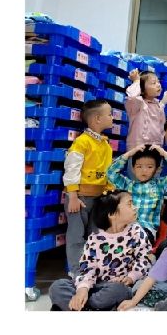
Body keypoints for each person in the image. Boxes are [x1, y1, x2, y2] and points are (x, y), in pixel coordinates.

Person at [49, 190, 151, 311]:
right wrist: (82, 290)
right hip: (96, 285)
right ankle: (88, 307)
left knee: (118, 291)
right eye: (130, 204)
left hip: (119, 286)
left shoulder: (136, 232)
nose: (135, 207)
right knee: (57, 287)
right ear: (112, 214)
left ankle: (81, 308)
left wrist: (131, 277)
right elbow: (87, 268)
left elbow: (144, 260)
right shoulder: (95, 238)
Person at [62, 99, 115, 274]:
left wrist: (109, 192)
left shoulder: (106, 144)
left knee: (96, 234)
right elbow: (72, 168)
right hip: (80, 198)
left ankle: (94, 269)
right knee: (76, 235)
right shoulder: (82, 142)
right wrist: (73, 196)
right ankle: (77, 271)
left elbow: (108, 171)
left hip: (99, 198)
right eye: (109, 114)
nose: (112, 117)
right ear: (97, 119)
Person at [107, 143, 167, 241]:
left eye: (149, 167)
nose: (144, 170)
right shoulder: (127, 185)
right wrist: (129, 154)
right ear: (133, 169)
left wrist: (164, 153)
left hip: (146, 231)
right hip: (125, 229)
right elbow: (110, 173)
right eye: (139, 166)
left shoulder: (160, 185)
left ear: (157, 169)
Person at [124, 68, 167, 149]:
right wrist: (136, 81)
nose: (158, 85)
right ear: (142, 90)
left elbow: (161, 126)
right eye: (153, 83)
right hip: (137, 147)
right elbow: (132, 96)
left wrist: (160, 145)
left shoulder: (157, 105)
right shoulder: (138, 103)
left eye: (158, 82)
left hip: (155, 148)